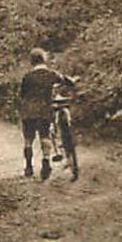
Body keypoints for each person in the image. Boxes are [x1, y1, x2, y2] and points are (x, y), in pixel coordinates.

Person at [19, 48, 73, 179]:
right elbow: (66, 81)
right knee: (45, 136)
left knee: (28, 139)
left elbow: (22, 94)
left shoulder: (27, 77)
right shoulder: (51, 74)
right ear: (44, 59)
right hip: (44, 110)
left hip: (28, 111)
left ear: (31, 61)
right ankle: (46, 161)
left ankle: (28, 167)